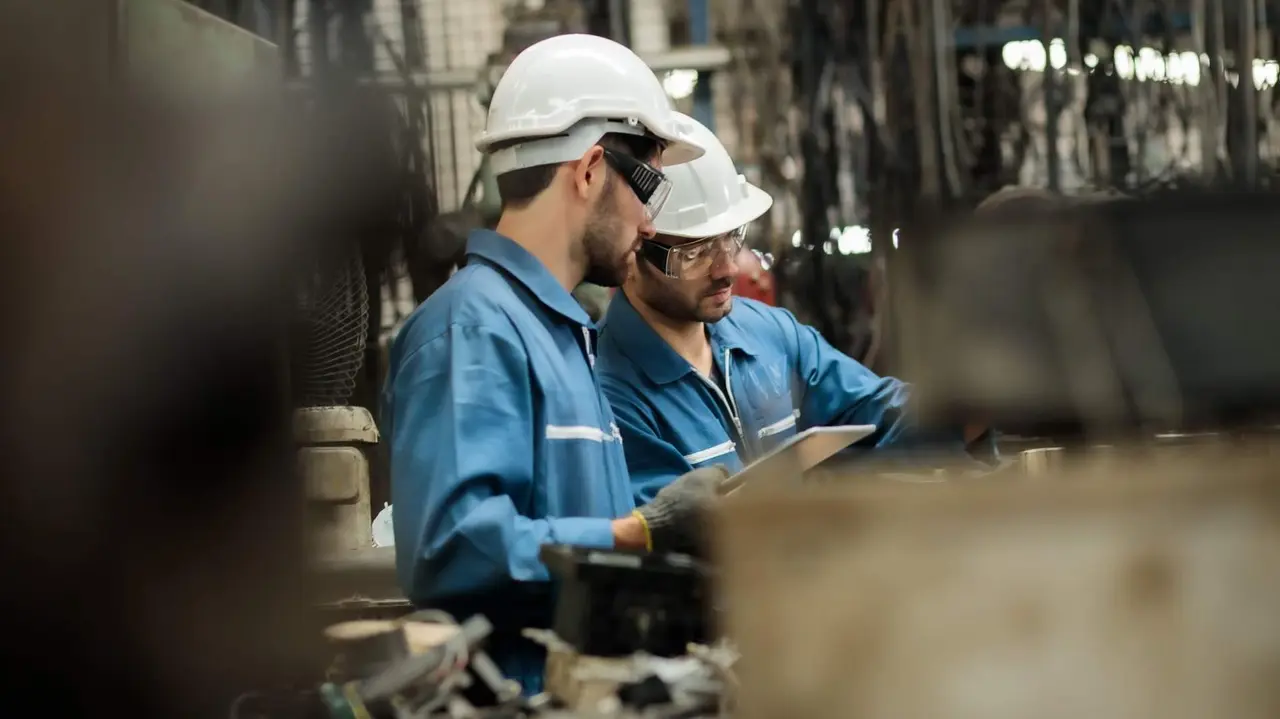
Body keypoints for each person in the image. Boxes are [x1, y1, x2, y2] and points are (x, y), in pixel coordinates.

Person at [381, 36, 727, 694]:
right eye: (648, 187)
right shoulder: (472, 329)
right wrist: (641, 531)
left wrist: (670, 540)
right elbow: (453, 547)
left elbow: (574, 520)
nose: (652, 226)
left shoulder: (565, 332)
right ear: (591, 169)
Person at [596, 114, 991, 503]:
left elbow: (880, 414)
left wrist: (992, 400)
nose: (728, 268)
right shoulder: (610, 392)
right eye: (695, 253)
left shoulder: (767, 335)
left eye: (732, 239)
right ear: (633, 248)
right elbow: (667, 537)